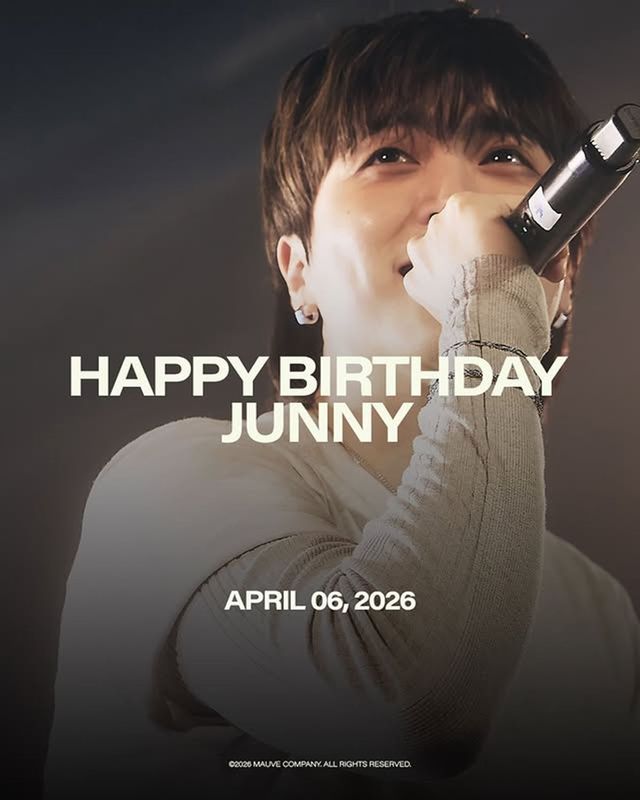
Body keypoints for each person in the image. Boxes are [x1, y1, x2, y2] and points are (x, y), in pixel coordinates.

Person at [44, 5, 639, 799]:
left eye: (502, 156)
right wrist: (490, 294)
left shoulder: (598, 614)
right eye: (389, 155)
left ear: (562, 271)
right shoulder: (164, 487)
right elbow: (412, 699)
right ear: (300, 272)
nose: (456, 202)